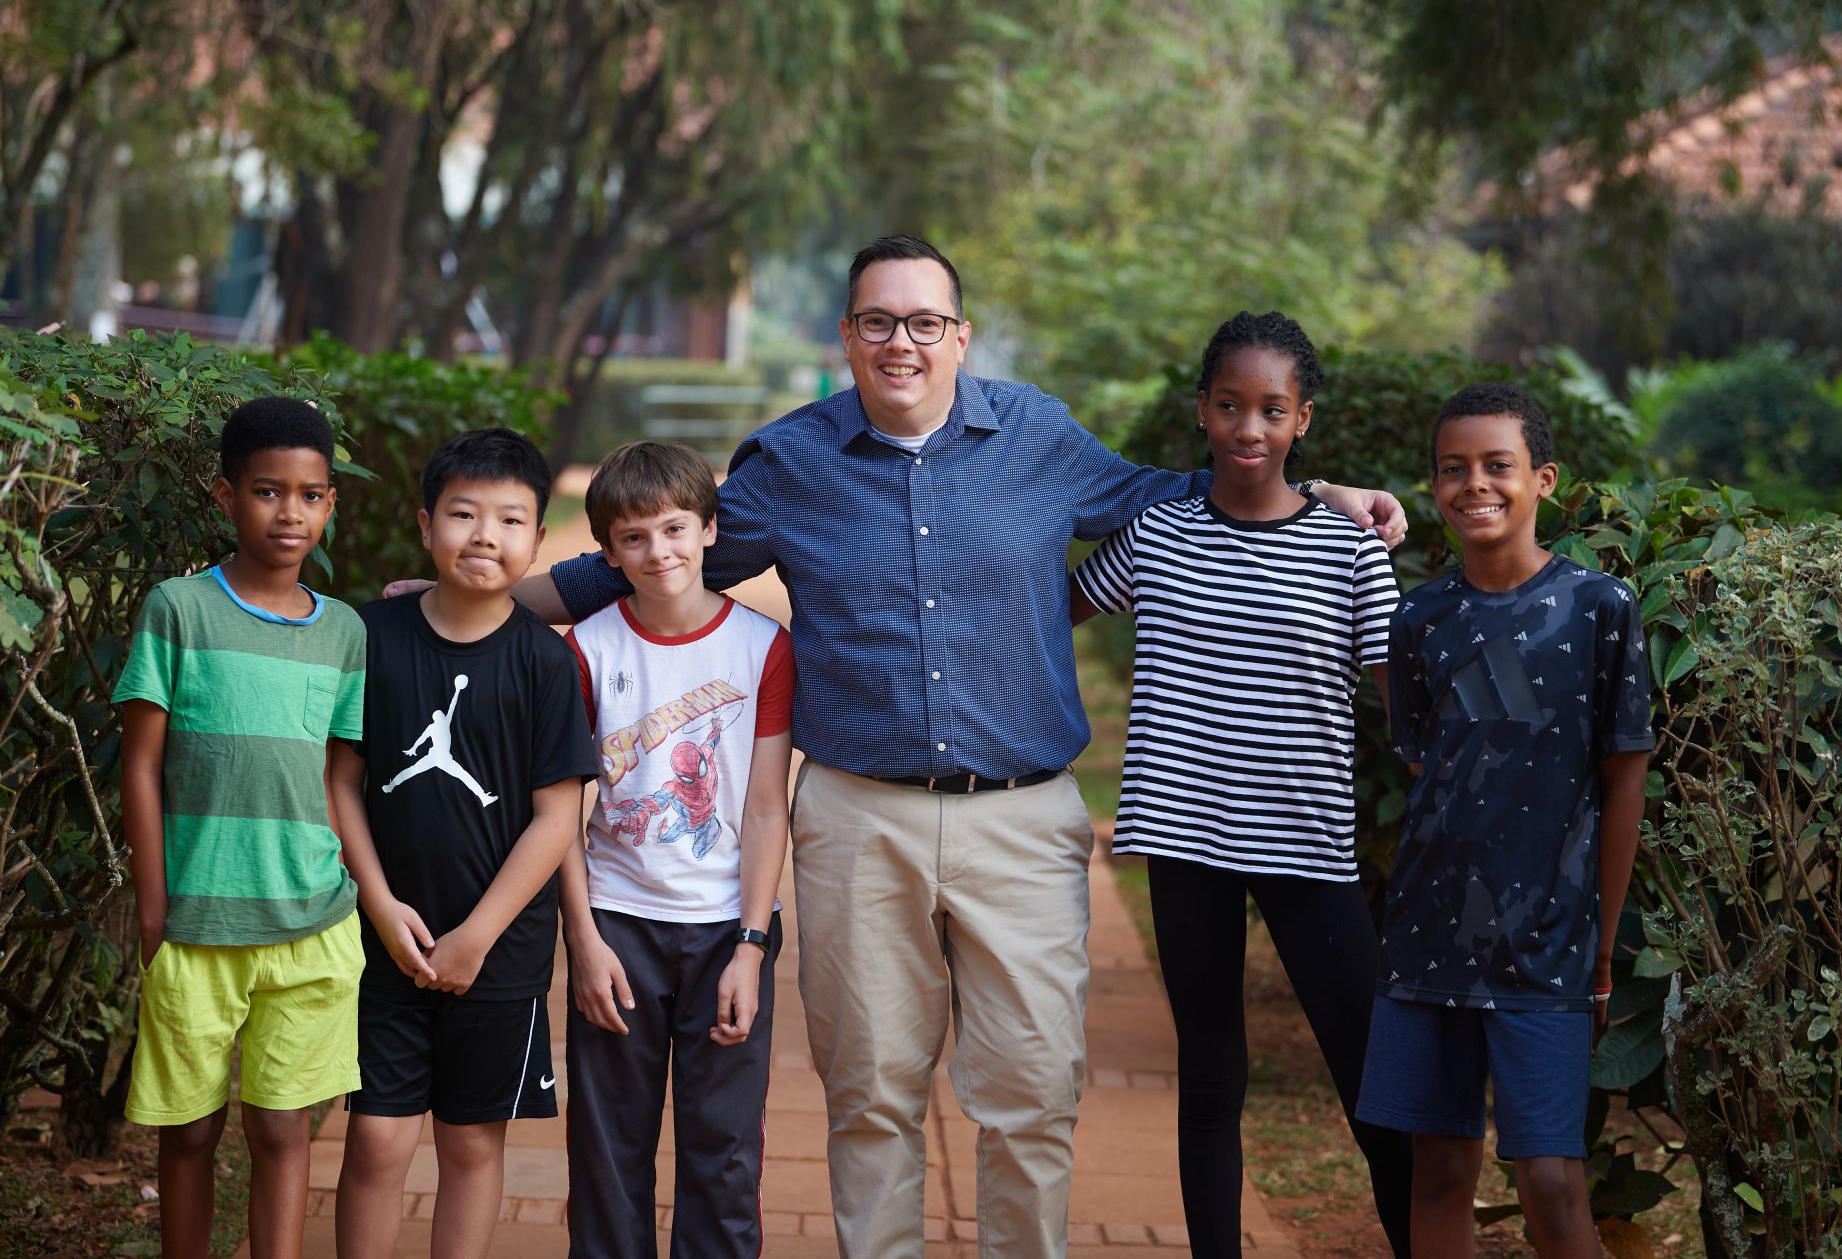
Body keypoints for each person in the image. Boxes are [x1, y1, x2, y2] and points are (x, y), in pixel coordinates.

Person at [394, 236, 1408, 1257]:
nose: (902, 341)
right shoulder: (791, 460)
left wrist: (1328, 493)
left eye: (926, 321)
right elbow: (652, 560)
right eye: (879, 320)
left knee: (1032, 1093)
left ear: (959, 336)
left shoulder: (1039, 435)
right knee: (871, 1092)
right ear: (848, 336)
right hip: (857, 817)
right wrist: (474, 599)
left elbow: (1185, 487)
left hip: (1021, 814)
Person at [1071, 311, 1414, 1258]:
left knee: (1374, 1082)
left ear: (1303, 420)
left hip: (1309, 846)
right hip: (1184, 844)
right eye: (1230, 406)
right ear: (1202, 412)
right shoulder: (1158, 535)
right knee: (1213, 1079)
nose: (1249, 429)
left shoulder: (1348, 548)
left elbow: (1401, 696)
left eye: (1272, 409)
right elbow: (1050, 608)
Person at [1355, 383, 1653, 1259]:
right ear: (1434, 485)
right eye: (1454, 469)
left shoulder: (1601, 608)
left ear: (1544, 480)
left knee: (1553, 1187)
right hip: (1426, 937)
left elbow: (1623, 781)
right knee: (1440, 1170)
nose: (1473, 485)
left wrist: (1598, 947)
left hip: (1550, 944)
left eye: (1498, 466)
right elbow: (1425, 769)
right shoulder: (1418, 620)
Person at [329, 429, 597, 1259]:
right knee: (376, 1140)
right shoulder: (370, 637)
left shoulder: (547, 665)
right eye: (463, 514)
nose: (485, 535)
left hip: (501, 953)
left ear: (537, 542)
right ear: (424, 525)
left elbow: (557, 818)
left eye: (510, 520)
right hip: (385, 941)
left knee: (474, 1144)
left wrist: (477, 936)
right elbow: (341, 780)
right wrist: (377, 904)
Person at [116, 397, 368, 1259]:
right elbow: (141, 765)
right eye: (267, 492)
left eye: (309, 495)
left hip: (310, 922)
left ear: (330, 504)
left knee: (282, 1131)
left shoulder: (343, 632)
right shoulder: (177, 610)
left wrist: (357, 893)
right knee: (186, 1133)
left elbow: (339, 778)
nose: (289, 512)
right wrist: (154, 908)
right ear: (226, 497)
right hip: (195, 922)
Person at [560, 441, 795, 1258]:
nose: (657, 552)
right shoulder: (587, 648)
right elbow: (562, 813)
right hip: (618, 924)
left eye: (673, 529)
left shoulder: (762, 647)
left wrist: (752, 947)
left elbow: (767, 807)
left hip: (727, 927)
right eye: (633, 538)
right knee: (606, 1154)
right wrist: (582, 943)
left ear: (708, 530)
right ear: (607, 552)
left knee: (724, 1155)